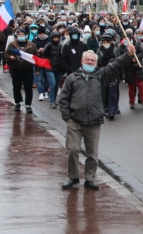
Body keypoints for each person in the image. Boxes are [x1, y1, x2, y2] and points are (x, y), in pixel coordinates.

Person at [58, 46, 137, 190]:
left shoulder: (101, 75)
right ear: (82, 61)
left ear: (96, 63)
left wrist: (128, 54)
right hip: (74, 121)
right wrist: (67, 117)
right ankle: (73, 177)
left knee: (92, 153)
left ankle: (90, 179)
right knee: (73, 150)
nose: (89, 62)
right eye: (87, 60)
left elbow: (115, 65)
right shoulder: (72, 78)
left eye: (92, 60)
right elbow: (63, 98)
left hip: (93, 121)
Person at [4, 29, 38, 113]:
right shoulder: (12, 44)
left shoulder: (32, 45)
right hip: (16, 69)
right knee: (16, 87)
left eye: (23, 34)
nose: (21, 35)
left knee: (28, 88)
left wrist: (37, 69)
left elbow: (37, 57)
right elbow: (6, 53)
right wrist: (10, 57)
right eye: (20, 34)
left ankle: (28, 105)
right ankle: (17, 102)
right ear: (17, 35)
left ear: (26, 35)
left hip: (28, 70)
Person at [97, 34, 121, 119]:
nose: (105, 43)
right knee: (104, 93)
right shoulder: (99, 50)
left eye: (107, 42)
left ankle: (112, 111)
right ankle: (106, 108)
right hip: (103, 73)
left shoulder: (115, 50)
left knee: (113, 93)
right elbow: (98, 62)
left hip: (113, 74)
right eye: (103, 42)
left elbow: (119, 61)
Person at [42, 31, 64, 109]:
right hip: (49, 68)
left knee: (56, 85)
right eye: (54, 38)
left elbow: (62, 57)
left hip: (58, 68)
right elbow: (44, 55)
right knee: (53, 84)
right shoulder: (48, 45)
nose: (55, 39)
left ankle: (54, 100)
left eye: (57, 38)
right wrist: (47, 49)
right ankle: (51, 101)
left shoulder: (60, 46)